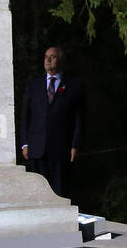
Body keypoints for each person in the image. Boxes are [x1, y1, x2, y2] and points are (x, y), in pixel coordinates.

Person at [19, 45, 83, 198]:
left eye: (52, 57)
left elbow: (79, 119)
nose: (48, 60)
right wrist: (25, 143)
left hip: (61, 149)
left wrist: (76, 144)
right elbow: (25, 116)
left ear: (61, 61)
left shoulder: (74, 86)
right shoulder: (34, 85)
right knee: (38, 192)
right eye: (46, 57)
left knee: (60, 191)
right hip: (37, 149)